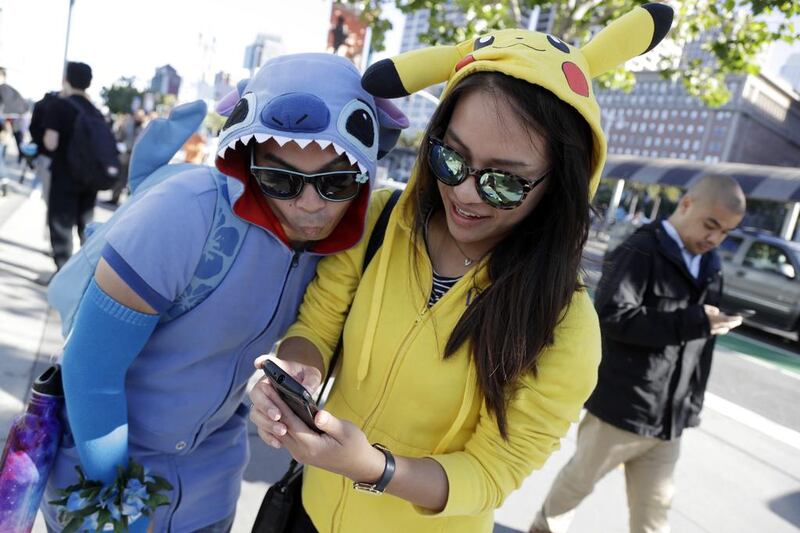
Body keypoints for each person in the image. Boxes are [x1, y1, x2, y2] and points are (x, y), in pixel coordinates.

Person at [248, 4, 674, 532]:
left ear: (560, 184)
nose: (465, 193)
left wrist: (375, 469)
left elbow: (494, 473)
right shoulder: (381, 219)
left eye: (504, 181)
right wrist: (297, 372)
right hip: (307, 513)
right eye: (451, 159)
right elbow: (318, 321)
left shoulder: (566, 325)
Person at [40, 53, 406, 532]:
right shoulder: (183, 213)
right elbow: (91, 368)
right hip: (102, 475)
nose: (310, 204)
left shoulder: (346, 246)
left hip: (211, 486)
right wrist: (112, 488)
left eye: (336, 181)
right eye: (281, 179)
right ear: (246, 159)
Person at [529, 174, 746, 533]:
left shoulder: (712, 264)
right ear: (687, 204)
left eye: (725, 232)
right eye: (711, 225)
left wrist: (690, 404)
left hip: (669, 418)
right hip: (620, 409)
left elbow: (700, 345)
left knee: (654, 515)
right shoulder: (641, 249)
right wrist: (693, 322)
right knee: (574, 488)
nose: (715, 238)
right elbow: (614, 319)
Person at [41, 61, 102, 270]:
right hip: (90, 179)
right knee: (86, 227)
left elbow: (51, 142)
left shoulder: (59, 105)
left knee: (61, 227)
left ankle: (62, 274)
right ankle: (85, 274)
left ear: (66, 79)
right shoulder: (95, 111)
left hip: (64, 175)